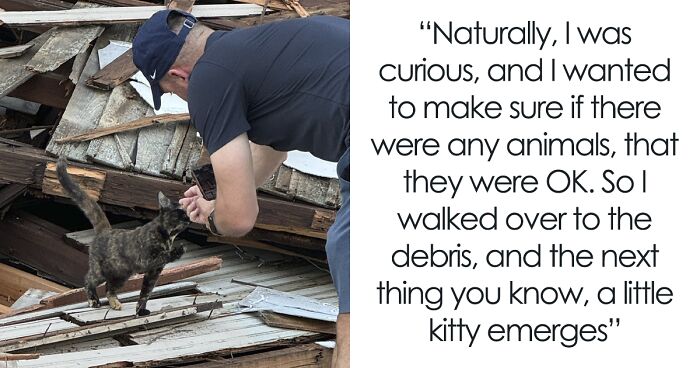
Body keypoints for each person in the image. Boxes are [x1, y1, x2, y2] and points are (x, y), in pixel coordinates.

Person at [132, 9, 350, 367]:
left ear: (177, 75)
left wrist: (217, 219)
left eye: (172, 93)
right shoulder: (257, 46)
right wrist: (217, 195)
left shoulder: (207, 80)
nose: (185, 100)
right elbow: (274, 144)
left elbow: (241, 219)